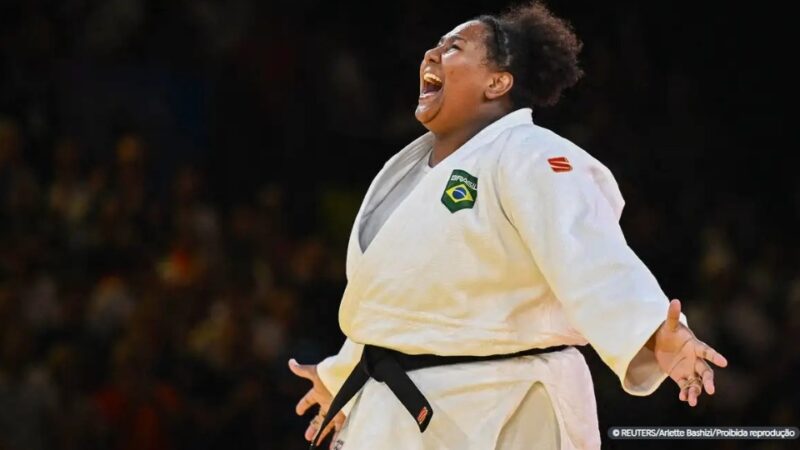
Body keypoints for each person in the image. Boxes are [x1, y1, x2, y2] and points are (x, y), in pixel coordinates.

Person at [289, 2, 728, 449]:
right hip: (398, 415)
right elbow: (401, 306)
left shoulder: (530, 154)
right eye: (436, 45)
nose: (432, 54)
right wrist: (341, 376)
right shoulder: (408, 173)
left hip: (507, 409)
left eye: (454, 47)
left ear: (497, 82)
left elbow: (587, 256)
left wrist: (653, 331)